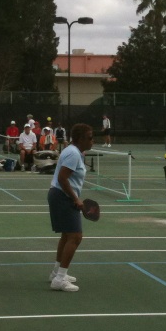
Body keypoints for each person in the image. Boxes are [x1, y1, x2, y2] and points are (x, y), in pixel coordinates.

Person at [48, 123, 95, 292]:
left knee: (67, 236)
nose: (92, 141)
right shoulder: (73, 154)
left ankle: (56, 273)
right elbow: (62, 178)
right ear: (81, 139)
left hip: (60, 195)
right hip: (63, 197)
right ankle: (60, 279)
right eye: (90, 138)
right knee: (75, 237)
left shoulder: (75, 152)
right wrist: (76, 198)